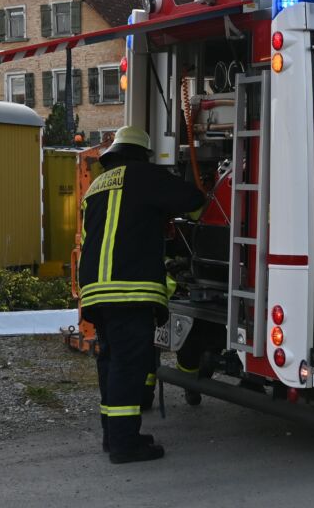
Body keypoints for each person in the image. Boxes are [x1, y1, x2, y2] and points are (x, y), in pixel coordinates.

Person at [78, 126, 204, 464]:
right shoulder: (144, 176)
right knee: (128, 365)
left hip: (96, 290)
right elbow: (193, 200)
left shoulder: (97, 185)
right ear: (142, 155)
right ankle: (124, 445)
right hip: (128, 289)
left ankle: (114, 435)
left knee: (110, 362)